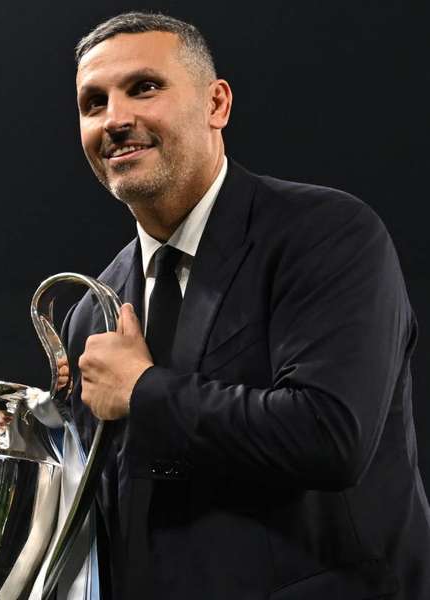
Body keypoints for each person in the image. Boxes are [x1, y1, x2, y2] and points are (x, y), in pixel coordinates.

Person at [62, 12, 430, 599]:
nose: (116, 119)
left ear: (216, 104)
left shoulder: (325, 234)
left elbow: (330, 434)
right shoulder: (91, 313)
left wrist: (143, 390)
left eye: (144, 87)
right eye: (93, 102)